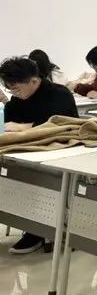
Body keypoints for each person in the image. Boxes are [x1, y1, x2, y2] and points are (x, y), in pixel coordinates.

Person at [1, 56, 78, 254]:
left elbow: (62, 126)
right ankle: (32, 225)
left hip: (62, 154)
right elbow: (9, 126)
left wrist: (24, 127)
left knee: (34, 180)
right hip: (28, 153)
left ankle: (40, 230)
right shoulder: (17, 100)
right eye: (10, 89)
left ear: (34, 80)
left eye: (16, 88)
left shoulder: (59, 94)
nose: (13, 93)